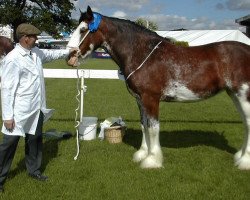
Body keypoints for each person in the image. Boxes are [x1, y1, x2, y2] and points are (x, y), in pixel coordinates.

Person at [0, 23, 77, 193]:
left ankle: (34, 171)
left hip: (36, 108)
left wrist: (68, 51)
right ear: (25, 38)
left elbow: (50, 54)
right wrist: (7, 116)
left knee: (34, 141)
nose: (36, 38)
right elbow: (6, 89)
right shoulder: (12, 59)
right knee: (8, 146)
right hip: (18, 111)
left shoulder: (35, 53)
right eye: (34, 36)